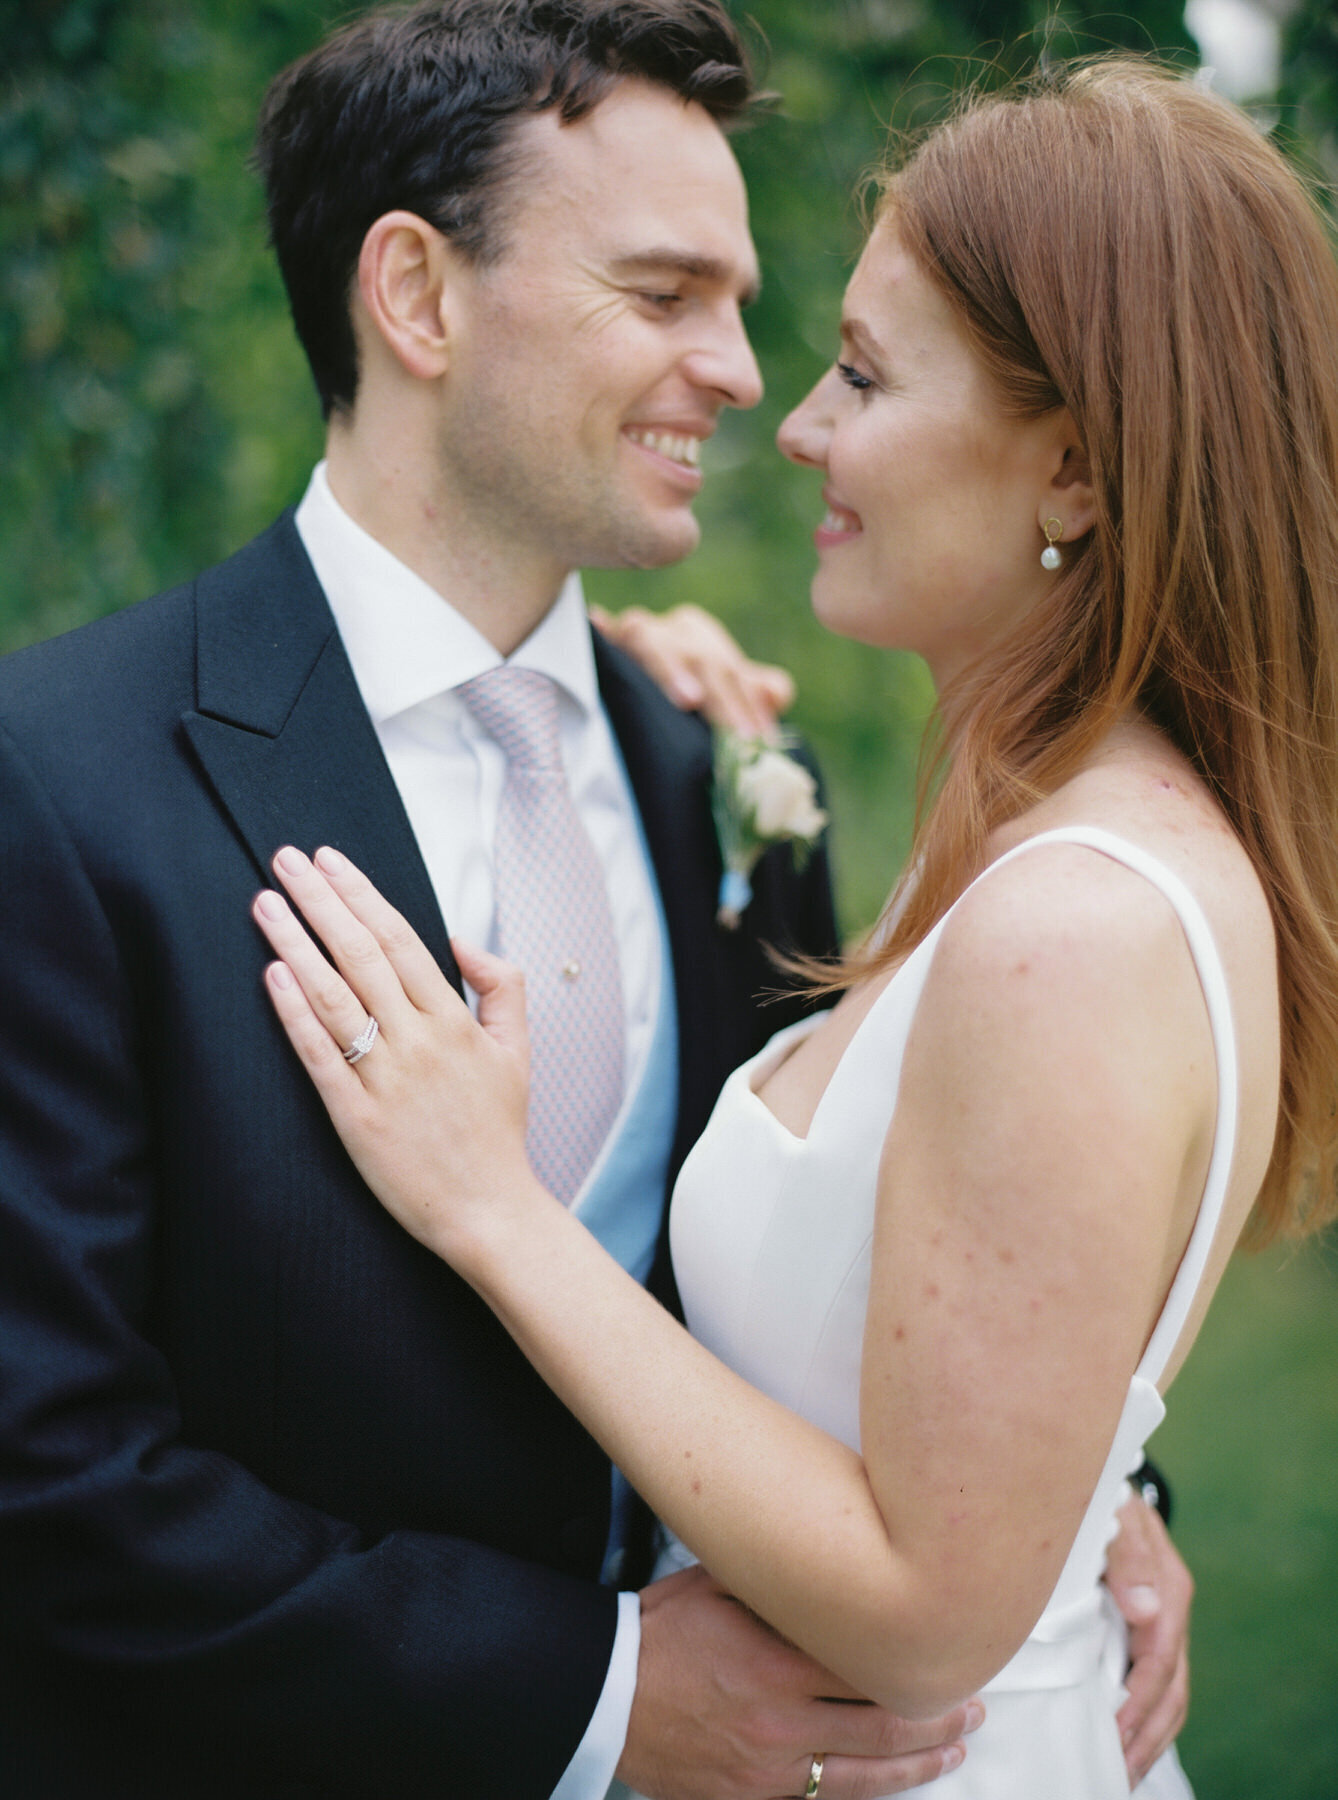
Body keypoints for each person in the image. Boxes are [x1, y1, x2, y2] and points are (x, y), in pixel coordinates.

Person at [0, 6, 1189, 1796]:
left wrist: (1094, 1490)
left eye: (738, 299)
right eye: (662, 296)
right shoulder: (56, 776)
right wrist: (595, 1693)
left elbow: (882, 1229)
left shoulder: (721, 769)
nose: (739, 371)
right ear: (416, 297)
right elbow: (44, 1468)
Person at [250, 54, 1338, 1800]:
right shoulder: (1012, 842)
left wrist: (490, 1207)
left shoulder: (1069, 923)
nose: (798, 418)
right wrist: (1092, 1490)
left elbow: (922, 1613)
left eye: (859, 370)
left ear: (1071, 474)